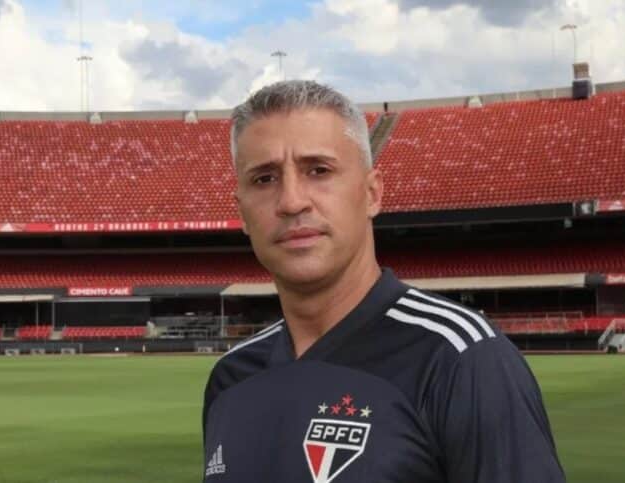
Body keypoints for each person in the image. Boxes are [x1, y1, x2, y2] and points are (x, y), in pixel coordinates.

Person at [202, 80, 565, 483]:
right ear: (243, 214)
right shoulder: (231, 378)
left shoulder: (460, 358)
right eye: (264, 179)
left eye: (318, 170)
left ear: (373, 193)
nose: (291, 201)